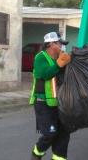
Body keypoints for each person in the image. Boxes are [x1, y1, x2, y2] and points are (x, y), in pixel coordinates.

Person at [30, 32, 72, 160]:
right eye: (59, 44)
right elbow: (44, 74)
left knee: (64, 132)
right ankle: (37, 152)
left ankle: (59, 158)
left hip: (60, 102)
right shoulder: (40, 58)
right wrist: (59, 65)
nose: (62, 46)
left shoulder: (61, 57)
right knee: (50, 133)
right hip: (43, 103)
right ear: (51, 44)